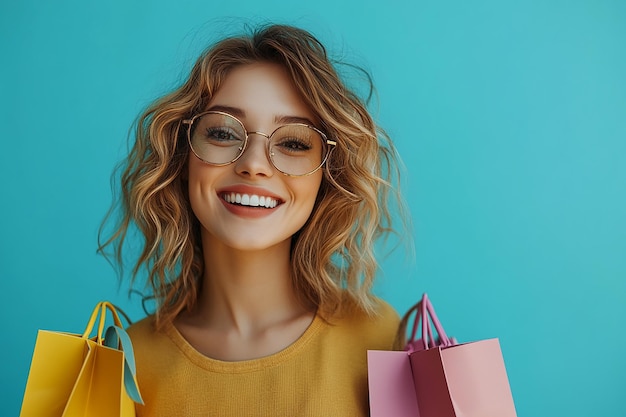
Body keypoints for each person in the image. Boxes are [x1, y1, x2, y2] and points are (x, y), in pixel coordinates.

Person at [99, 23, 408, 417]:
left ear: (327, 174)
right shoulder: (125, 364)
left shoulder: (380, 339)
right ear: (183, 156)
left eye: (293, 142)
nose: (254, 165)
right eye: (224, 133)